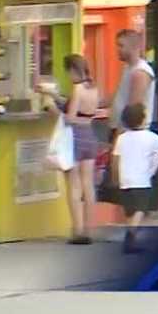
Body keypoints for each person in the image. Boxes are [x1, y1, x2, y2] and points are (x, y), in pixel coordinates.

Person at [112, 103, 158, 253]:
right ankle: (129, 237)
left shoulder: (121, 138)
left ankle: (132, 241)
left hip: (125, 181)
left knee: (129, 211)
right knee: (141, 209)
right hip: (141, 181)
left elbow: (115, 160)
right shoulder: (151, 137)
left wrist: (115, 178)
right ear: (143, 119)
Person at [55, 55, 101, 244]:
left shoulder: (77, 89)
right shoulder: (94, 89)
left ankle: (78, 230)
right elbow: (86, 113)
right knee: (88, 185)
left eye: (68, 72)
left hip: (75, 137)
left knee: (74, 185)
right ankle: (90, 229)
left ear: (73, 71)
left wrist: (53, 110)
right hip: (90, 136)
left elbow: (70, 118)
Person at [108, 29, 156, 137]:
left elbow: (133, 109)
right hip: (120, 129)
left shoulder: (140, 72)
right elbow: (120, 96)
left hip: (130, 132)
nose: (117, 49)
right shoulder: (128, 68)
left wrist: (118, 136)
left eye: (121, 45)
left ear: (133, 47)